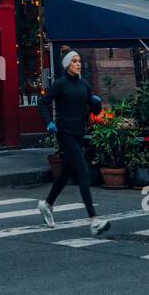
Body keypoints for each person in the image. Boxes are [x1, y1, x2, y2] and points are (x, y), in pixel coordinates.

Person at [37, 50, 111, 237]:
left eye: (79, 61)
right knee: (83, 173)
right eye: (75, 61)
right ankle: (94, 220)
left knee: (66, 173)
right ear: (67, 64)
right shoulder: (60, 85)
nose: (78, 64)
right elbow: (42, 102)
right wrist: (49, 122)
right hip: (65, 133)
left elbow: (93, 107)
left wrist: (96, 103)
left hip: (79, 133)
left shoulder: (84, 84)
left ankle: (47, 204)